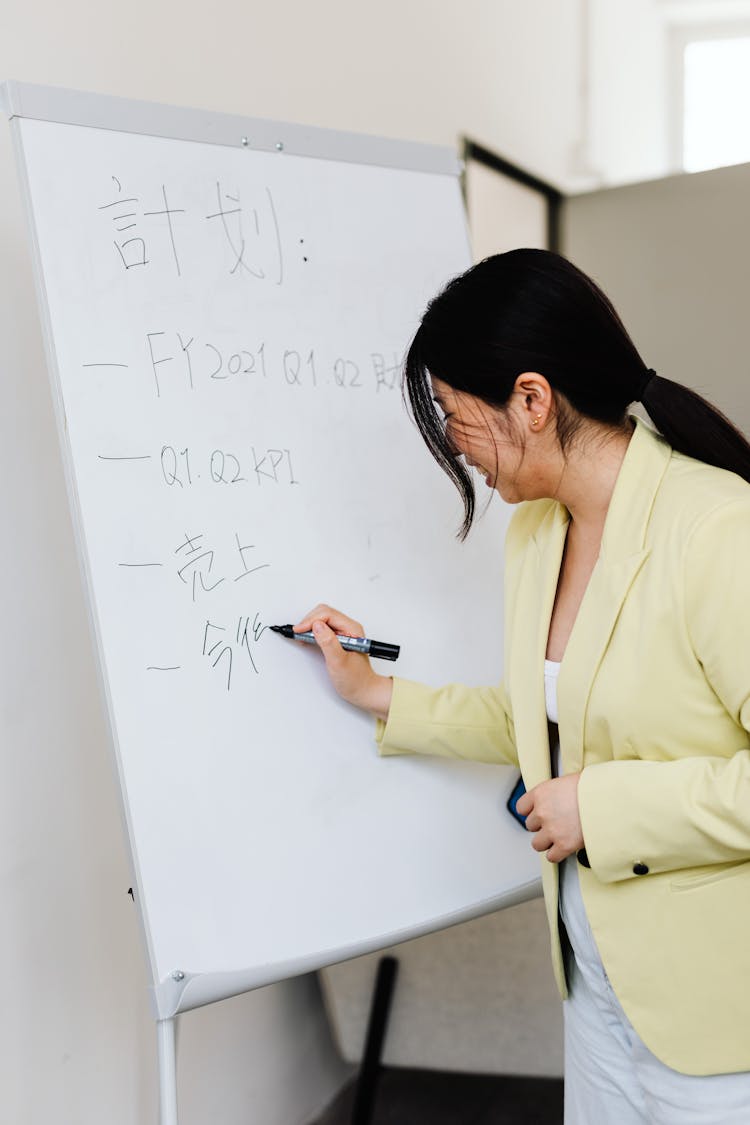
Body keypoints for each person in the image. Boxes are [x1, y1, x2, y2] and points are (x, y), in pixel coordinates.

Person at [296, 250, 750, 1124]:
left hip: (718, 1015)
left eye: (452, 414)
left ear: (532, 399)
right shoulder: (539, 532)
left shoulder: (717, 532)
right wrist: (377, 693)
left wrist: (606, 809)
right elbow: (542, 715)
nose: (454, 447)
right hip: (594, 979)